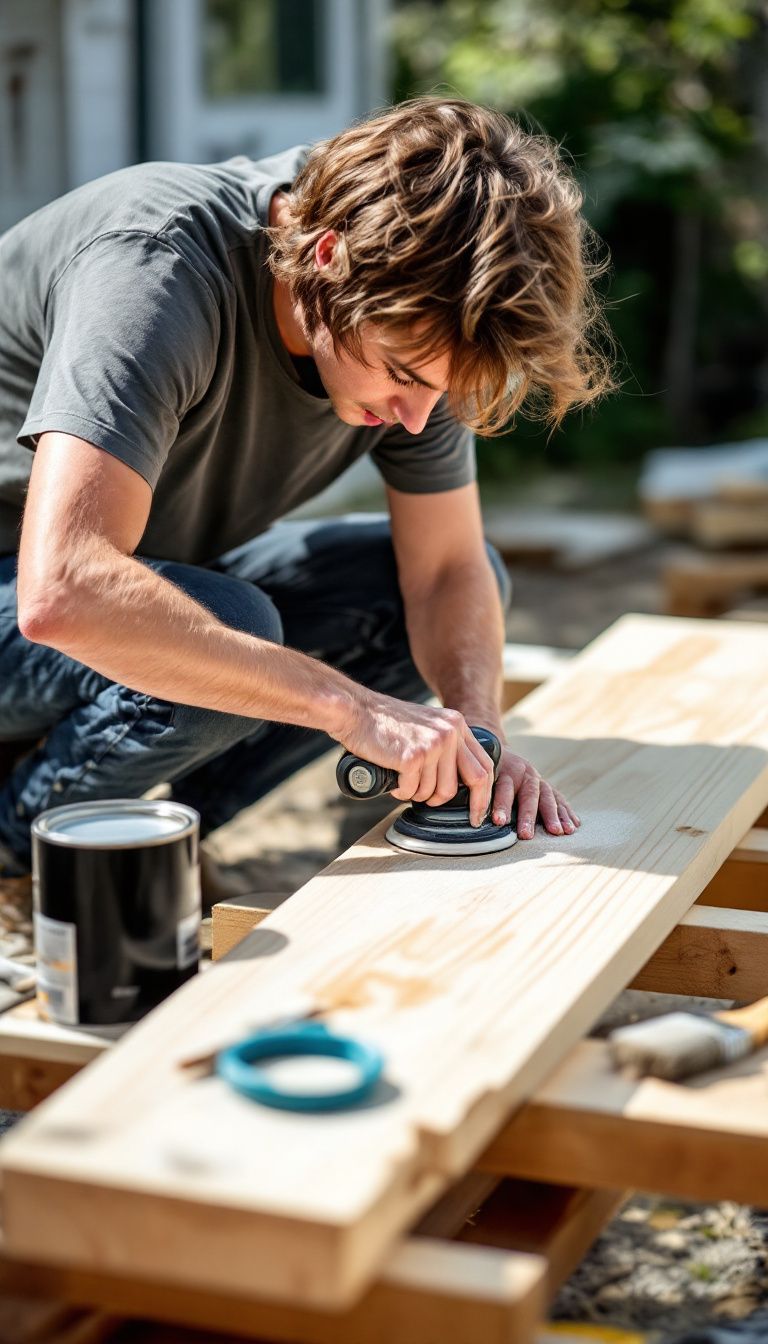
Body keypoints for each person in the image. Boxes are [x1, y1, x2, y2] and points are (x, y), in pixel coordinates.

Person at [0, 96, 611, 926]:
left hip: (110, 584)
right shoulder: (156, 267)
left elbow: (445, 569)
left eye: (445, 390)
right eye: (402, 373)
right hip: (37, 589)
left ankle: (154, 835)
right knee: (225, 629)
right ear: (324, 256)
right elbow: (66, 591)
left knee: (396, 596)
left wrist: (478, 738)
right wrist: (351, 708)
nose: (417, 418)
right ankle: (27, 856)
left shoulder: (415, 309)